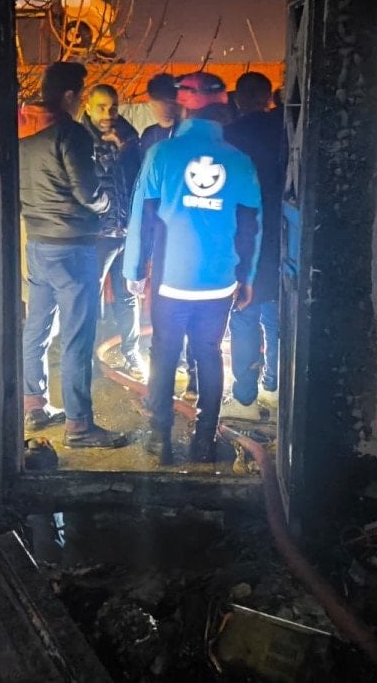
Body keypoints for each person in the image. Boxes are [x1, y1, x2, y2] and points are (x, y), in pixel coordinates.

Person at [124, 72, 262, 465]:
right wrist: (247, 277)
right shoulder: (240, 161)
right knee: (209, 354)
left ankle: (160, 438)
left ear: (183, 105)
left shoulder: (161, 155)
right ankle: (204, 441)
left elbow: (142, 216)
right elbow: (251, 226)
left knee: (163, 353)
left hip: (171, 280)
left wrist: (134, 269)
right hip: (218, 282)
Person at [19, 62, 128, 448]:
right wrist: (107, 203)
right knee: (78, 337)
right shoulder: (69, 133)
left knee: (37, 327)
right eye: (80, 95)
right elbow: (87, 192)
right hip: (72, 244)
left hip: (37, 242)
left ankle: (33, 404)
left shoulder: (22, 129)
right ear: (69, 95)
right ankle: (79, 427)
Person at [221, 72, 286, 421]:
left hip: (242, 235)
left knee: (244, 316)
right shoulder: (285, 131)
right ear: (268, 98)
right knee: (276, 316)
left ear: (238, 99)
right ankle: (275, 388)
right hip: (282, 232)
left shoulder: (229, 136)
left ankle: (245, 399)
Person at [138, 71, 199, 400]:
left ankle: (191, 379)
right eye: (158, 102)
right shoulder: (150, 137)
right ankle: (160, 390)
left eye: (169, 101)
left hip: (190, 237)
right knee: (164, 316)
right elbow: (142, 192)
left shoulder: (190, 138)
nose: (165, 107)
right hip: (161, 238)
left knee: (194, 314)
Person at [80, 84, 145, 378]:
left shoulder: (128, 136)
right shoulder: (79, 139)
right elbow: (84, 186)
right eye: (101, 107)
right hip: (97, 235)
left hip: (126, 230)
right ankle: (87, 360)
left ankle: (131, 353)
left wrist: (124, 148)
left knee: (128, 294)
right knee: (90, 297)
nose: (108, 114)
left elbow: (138, 180)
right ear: (88, 106)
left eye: (113, 107)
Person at [139, 72, 180, 155]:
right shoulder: (149, 134)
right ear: (151, 104)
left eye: (169, 103)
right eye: (158, 105)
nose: (165, 109)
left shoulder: (185, 131)